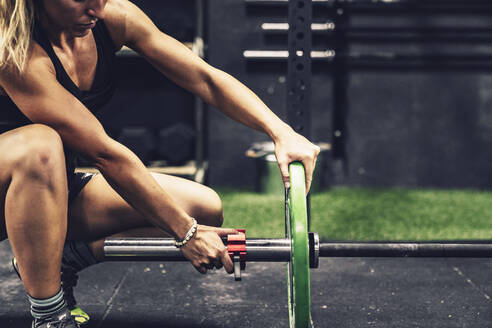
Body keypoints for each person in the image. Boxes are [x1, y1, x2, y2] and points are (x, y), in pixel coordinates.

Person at [0, 0, 320, 327]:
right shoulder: (16, 52)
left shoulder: (113, 19)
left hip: (49, 190)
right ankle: (50, 316)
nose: (96, 8)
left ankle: (61, 261)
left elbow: (203, 77)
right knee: (39, 145)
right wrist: (185, 233)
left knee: (200, 206)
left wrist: (281, 132)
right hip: (13, 177)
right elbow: (104, 154)